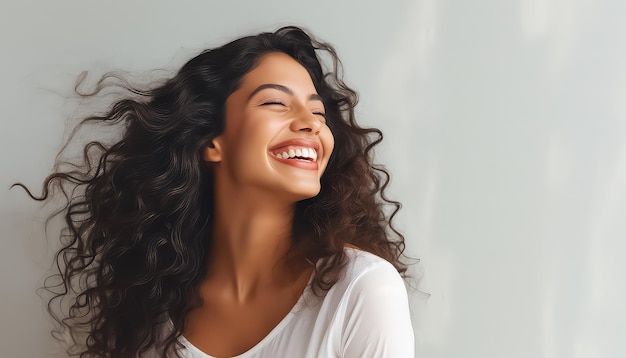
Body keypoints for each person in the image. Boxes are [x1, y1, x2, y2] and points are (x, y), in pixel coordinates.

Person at [18, 26, 414, 357]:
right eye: (276, 102)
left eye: (317, 113)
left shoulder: (360, 291)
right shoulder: (154, 309)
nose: (310, 124)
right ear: (210, 139)